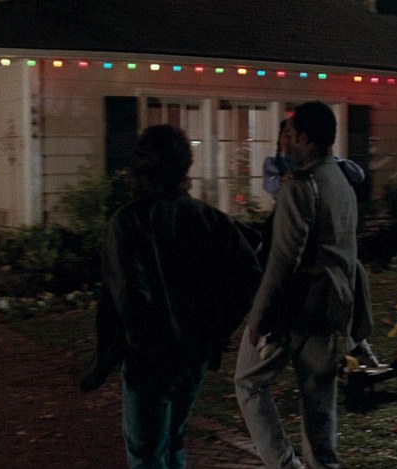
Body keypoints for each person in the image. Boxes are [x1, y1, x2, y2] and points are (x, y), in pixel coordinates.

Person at [81, 124, 263, 469]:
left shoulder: (128, 223)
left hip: (148, 359)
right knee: (173, 438)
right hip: (191, 356)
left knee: (147, 452)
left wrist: (119, 350)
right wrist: (215, 333)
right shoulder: (209, 220)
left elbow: (125, 296)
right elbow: (249, 275)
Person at [235, 101, 357, 468]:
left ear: (305, 138)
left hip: (293, 310)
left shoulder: (301, 187)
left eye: (291, 134)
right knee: (319, 400)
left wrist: (259, 319)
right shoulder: (343, 182)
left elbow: (282, 261)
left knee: (248, 383)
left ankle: (285, 464)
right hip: (330, 304)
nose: (287, 141)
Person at [261, 118, 380, 368]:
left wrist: (332, 162)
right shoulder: (277, 164)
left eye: (293, 135)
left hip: (316, 233)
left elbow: (356, 175)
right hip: (289, 228)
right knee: (282, 271)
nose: (289, 140)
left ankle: (357, 341)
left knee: (353, 272)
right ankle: (272, 331)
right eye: (285, 135)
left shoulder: (320, 165)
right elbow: (272, 184)